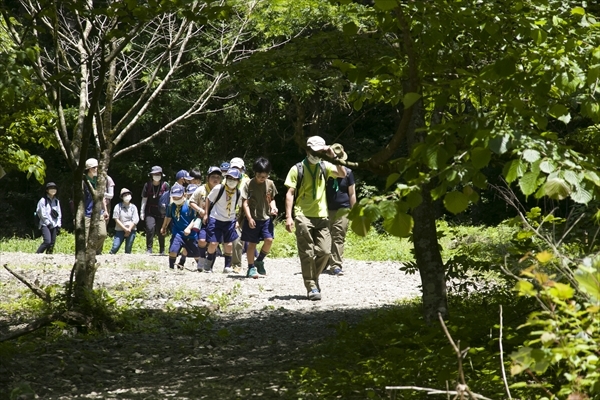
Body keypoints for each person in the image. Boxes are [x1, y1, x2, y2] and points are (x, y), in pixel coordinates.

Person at [284, 136, 346, 300]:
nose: (317, 154)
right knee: (307, 253)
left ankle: (313, 278)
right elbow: (290, 193)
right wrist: (289, 217)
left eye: (320, 151)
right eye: (314, 150)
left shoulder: (325, 165)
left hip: (322, 216)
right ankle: (311, 286)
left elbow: (342, 173)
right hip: (302, 215)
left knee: (325, 252)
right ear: (307, 150)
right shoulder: (297, 168)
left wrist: (334, 156)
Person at [240, 157, 278, 278]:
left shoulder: (270, 184)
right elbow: (245, 203)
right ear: (255, 173)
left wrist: (273, 208)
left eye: (265, 176)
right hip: (253, 218)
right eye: (260, 176)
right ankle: (251, 268)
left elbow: (272, 199)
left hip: (266, 218)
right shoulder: (248, 184)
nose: (263, 179)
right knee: (252, 244)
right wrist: (249, 218)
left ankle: (259, 260)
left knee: (269, 240)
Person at [203, 169, 242, 273]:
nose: (231, 181)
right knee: (213, 243)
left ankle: (227, 266)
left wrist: (238, 220)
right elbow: (208, 199)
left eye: (234, 179)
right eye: (229, 178)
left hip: (230, 220)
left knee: (229, 244)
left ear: (238, 181)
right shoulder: (219, 188)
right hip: (215, 218)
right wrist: (206, 214)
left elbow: (242, 206)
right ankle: (208, 263)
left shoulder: (238, 193)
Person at [325, 144, 356, 276]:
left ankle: (336, 265)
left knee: (338, 236)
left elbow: (352, 193)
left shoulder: (348, 172)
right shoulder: (325, 171)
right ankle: (323, 262)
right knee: (325, 237)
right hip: (325, 209)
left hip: (343, 209)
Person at [160, 184, 200, 270]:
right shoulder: (171, 206)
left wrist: (189, 228)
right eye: (174, 197)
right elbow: (168, 217)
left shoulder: (190, 205)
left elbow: (196, 218)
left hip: (191, 235)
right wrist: (164, 227)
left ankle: (201, 267)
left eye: (178, 197)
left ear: (184, 195)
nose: (176, 199)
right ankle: (171, 267)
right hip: (177, 232)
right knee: (173, 250)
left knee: (197, 254)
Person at [190, 166, 222, 271]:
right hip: (203, 219)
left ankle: (209, 266)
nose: (215, 179)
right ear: (207, 178)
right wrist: (200, 210)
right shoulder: (201, 190)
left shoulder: (223, 190)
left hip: (218, 221)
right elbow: (191, 202)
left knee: (213, 244)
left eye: (218, 177)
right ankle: (202, 259)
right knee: (202, 240)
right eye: (213, 176)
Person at [141, 166, 170, 254]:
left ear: (161, 175)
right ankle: (149, 248)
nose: (156, 176)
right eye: (155, 174)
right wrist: (141, 211)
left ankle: (162, 249)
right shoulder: (147, 185)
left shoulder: (165, 185)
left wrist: (168, 212)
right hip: (150, 210)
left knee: (161, 230)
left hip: (162, 211)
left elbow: (170, 199)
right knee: (150, 228)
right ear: (151, 175)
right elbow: (144, 199)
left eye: (158, 174)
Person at [230, 157, 251, 273]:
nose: (236, 170)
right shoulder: (226, 181)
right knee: (234, 239)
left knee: (242, 239)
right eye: (233, 168)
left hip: (243, 213)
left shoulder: (248, 182)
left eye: (238, 168)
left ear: (243, 169)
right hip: (229, 213)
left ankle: (245, 264)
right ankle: (235, 264)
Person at [83, 158, 108, 254]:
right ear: (89, 169)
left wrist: (105, 210)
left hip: (99, 212)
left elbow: (102, 197)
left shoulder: (99, 180)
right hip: (86, 213)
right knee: (85, 237)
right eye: (95, 167)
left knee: (102, 234)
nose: (97, 169)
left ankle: (95, 251)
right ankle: (87, 254)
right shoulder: (83, 182)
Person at [109, 188, 140, 254]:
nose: (127, 196)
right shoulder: (118, 206)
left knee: (128, 248)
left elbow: (135, 219)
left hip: (131, 230)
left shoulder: (133, 207)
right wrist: (125, 229)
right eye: (125, 195)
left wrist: (129, 229)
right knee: (115, 247)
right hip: (120, 230)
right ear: (122, 197)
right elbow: (116, 218)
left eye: (128, 194)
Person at [175, 184, 198, 268]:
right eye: (190, 194)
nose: (191, 196)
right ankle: (183, 261)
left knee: (194, 246)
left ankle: (200, 263)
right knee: (188, 244)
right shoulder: (186, 204)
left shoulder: (199, 203)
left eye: (193, 194)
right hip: (188, 228)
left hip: (197, 227)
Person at [36, 182, 62, 254]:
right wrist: (48, 223)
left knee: (52, 243)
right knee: (47, 241)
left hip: (54, 224)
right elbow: (42, 214)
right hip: (45, 224)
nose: (53, 190)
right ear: (47, 190)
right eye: (51, 188)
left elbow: (59, 213)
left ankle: (49, 257)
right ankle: (37, 254)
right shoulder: (43, 201)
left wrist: (59, 225)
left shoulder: (56, 201)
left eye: (54, 188)